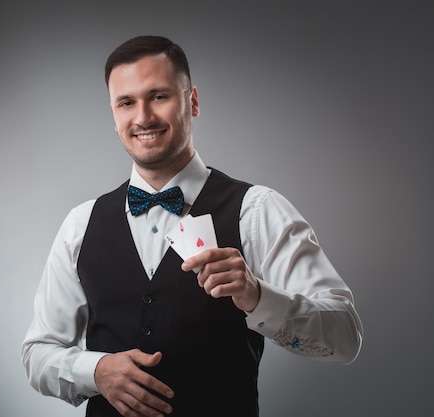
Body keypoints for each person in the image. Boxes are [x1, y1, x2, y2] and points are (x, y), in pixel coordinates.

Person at [22, 35, 363, 417]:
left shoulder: (256, 211)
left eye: (159, 96)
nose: (143, 117)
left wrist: (257, 296)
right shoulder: (80, 225)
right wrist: (96, 370)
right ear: (114, 115)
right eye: (126, 102)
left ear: (192, 101)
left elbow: (345, 337)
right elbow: (37, 354)